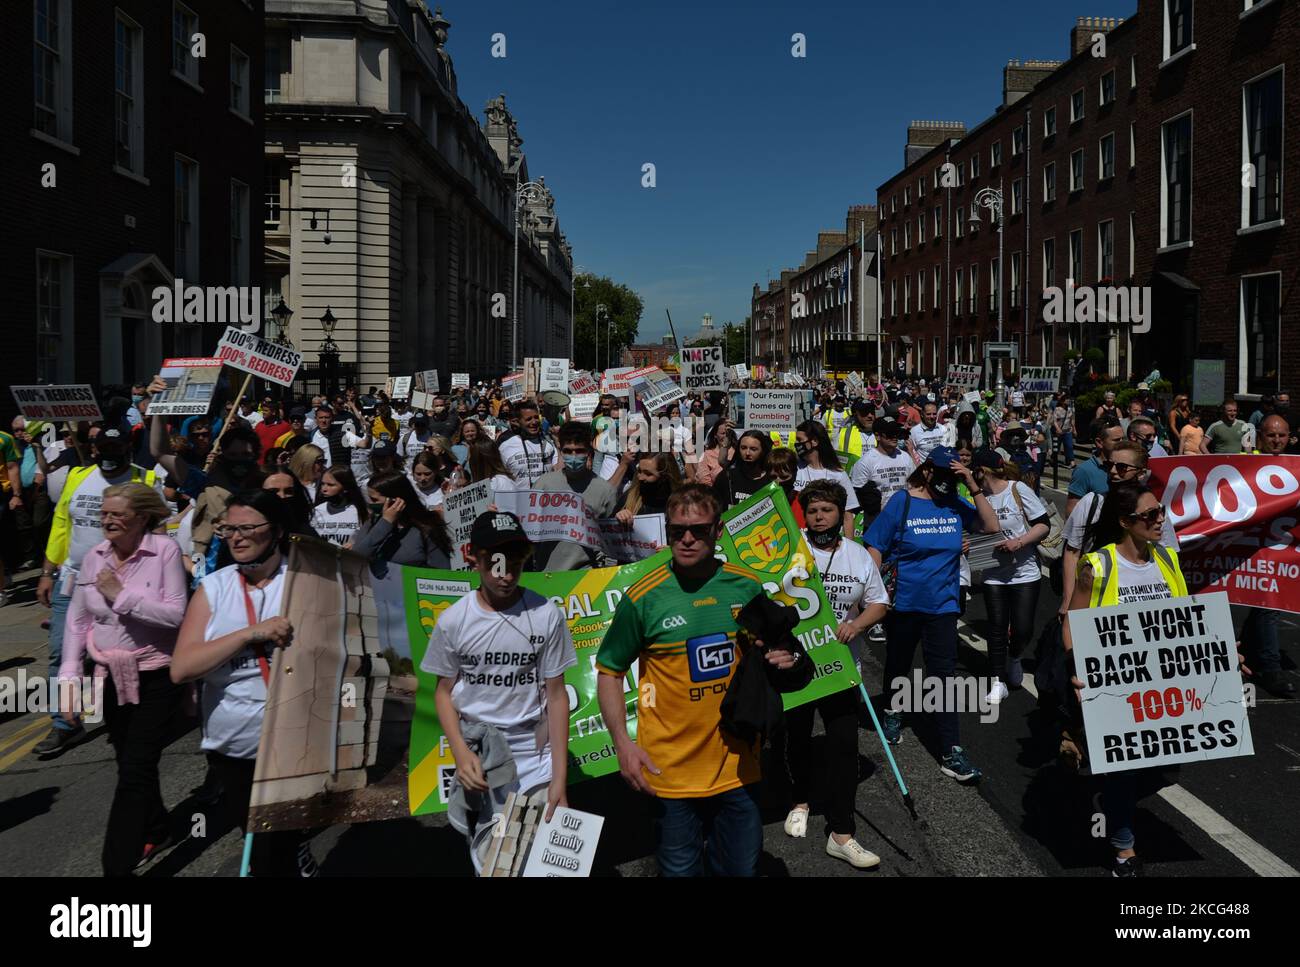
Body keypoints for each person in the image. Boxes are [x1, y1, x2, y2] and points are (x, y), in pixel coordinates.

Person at [595, 484, 797, 877]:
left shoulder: (746, 586)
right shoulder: (643, 597)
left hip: (739, 766)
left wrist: (781, 658)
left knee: (739, 869)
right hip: (668, 770)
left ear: (717, 531)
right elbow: (609, 671)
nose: (687, 539)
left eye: (699, 530)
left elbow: (771, 654)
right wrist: (623, 744)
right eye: (677, 531)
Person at [170, 490, 317, 877]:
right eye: (229, 529)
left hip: (295, 741)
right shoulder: (214, 588)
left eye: (248, 528)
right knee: (257, 838)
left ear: (278, 531)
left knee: (271, 850)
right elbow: (182, 668)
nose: (236, 537)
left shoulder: (305, 582)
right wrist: (248, 634)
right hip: (233, 744)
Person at [423, 511, 576, 865]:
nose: (506, 574)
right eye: (495, 562)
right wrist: (461, 753)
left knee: (540, 864)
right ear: (472, 557)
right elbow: (443, 694)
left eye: (516, 562)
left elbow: (556, 696)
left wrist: (559, 778)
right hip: (483, 760)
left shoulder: (545, 614)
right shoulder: (454, 621)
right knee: (496, 863)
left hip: (535, 758)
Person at [56, 482, 187, 874]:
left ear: (142, 517)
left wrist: (121, 595)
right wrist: (67, 678)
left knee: (135, 770)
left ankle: (116, 866)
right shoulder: (94, 556)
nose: (108, 521)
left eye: (117, 514)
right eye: (104, 514)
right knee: (126, 759)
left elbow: (176, 616)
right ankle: (158, 826)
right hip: (110, 675)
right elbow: (77, 622)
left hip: (156, 674)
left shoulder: (165, 550)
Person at [1062, 481, 1189, 877]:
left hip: (1160, 681)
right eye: (1149, 515)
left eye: (1160, 512)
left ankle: (1115, 804)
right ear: (1124, 522)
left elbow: (1185, 618)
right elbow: (1073, 622)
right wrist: (1076, 669)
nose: (1159, 520)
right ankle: (1123, 850)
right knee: (1123, 766)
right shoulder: (1096, 565)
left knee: (1157, 762)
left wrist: (1221, 651)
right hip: (1114, 683)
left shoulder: (1168, 559)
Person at [864, 446, 998, 781]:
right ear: (926, 471)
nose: (947, 480)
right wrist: (872, 592)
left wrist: (971, 483)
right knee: (898, 661)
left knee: (944, 677)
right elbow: (875, 545)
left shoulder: (954, 502)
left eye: (953, 474)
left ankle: (951, 751)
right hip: (905, 603)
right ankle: (893, 709)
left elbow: (990, 525)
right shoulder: (902, 502)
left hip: (943, 606)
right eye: (942, 474)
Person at [34, 422, 162, 755]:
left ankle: (132, 714)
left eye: (117, 452)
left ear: (128, 452)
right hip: (74, 579)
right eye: (104, 451)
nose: (109, 458)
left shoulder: (145, 480)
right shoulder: (77, 477)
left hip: (125, 583)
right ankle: (65, 723)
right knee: (62, 650)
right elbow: (62, 524)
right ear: (94, 450)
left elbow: (161, 534)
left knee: (128, 653)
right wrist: (48, 570)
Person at [785, 481, 888, 869]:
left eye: (826, 510)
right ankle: (799, 799)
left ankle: (841, 833)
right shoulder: (790, 550)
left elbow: (879, 602)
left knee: (844, 746)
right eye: (812, 511)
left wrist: (858, 624)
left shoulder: (858, 556)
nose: (819, 517)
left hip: (841, 669)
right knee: (797, 737)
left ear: (840, 513)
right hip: (795, 667)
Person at [1058, 440, 1175, 617]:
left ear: (1141, 473)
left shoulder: (1155, 511)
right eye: (1109, 465)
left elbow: (1167, 557)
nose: (1112, 472)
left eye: (1121, 467)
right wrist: (1068, 602)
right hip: (1096, 601)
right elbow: (1072, 552)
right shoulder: (1092, 502)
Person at [970, 451, 1050, 703]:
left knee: (1023, 628)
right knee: (996, 628)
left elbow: (1043, 524)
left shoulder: (1018, 489)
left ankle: (1014, 657)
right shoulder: (977, 497)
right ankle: (997, 681)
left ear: (982, 470)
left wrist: (1020, 541)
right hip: (994, 573)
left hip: (1025, 571)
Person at [1237, 415, 1295, 698]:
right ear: (1260, 436)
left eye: (1282, 435)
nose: (1277, 441)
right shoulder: (1244, 464)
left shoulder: (1294, 467)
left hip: (1276, 548)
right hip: (1246, 546)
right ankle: (1269, 667)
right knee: (1265, 602)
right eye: (1271, 435)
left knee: (1267, 601)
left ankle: (1251, 649)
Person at [532, 422, 618, 571]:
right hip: (547, 575)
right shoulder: (543, 484)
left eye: (579, 451)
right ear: (561, 451)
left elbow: (612, 541)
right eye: (568, 451)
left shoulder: (605, 490)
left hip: (586, 576)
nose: (573, 456)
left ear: (589, 452)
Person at [351, 470, 452, 568]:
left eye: (375, 500)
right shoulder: (373, 523)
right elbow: (355, 557)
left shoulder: (425, 529)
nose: (371, 504)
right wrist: (385, 522)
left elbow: (442, 571)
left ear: (395, 501)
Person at [793, 421, 859, 536]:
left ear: (814, 441)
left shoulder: (838, 475)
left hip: (829, 540)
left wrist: (848, 549)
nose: (796, 444)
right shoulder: (794, 469)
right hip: (799, 541)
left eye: (800, 440)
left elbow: (848, 516)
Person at [1065, 417, 1124, 516]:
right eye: (1117, 440)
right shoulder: (1084, 471)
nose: (1122, 444)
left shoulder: (1126, 467)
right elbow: (1071, 513)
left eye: (1123, 439)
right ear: (1099, 442)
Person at [497, 400, 557, 487]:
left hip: (545, 499)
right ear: (518, 422)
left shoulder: (548, 443)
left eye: (536, 417)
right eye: (528, 419)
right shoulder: (505, 447)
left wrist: (558, 443)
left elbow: (559, 471)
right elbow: (499, 479)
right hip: (517, 499)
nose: (534, 422)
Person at [713, 431, 772, 508]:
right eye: (743, 448)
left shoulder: (771, 481)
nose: (747, 453)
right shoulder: (727, 477)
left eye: (753, 449)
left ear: (762, 451)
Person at [312, 465, 368, 547]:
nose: (324, 489)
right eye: (323, 484)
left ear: (345, 487)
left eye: (330, 485)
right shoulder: (316, 511)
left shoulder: (360, 512)